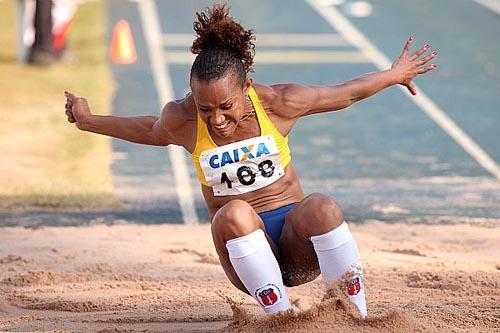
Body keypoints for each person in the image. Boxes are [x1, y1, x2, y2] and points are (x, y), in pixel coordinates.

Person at [64, 4, 437, 317]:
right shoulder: (183, 119)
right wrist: (88, 121)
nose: (217, 119)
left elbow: (345, 94)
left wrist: (394, 75)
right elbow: (149, 130)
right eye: (205, 108)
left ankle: (354, 316)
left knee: (323, 206)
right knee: (233, 212)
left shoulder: (278, 103)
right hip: (244, 251)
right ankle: (282, 320)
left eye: (226, 106)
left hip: (298, 248)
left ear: (246, 88)